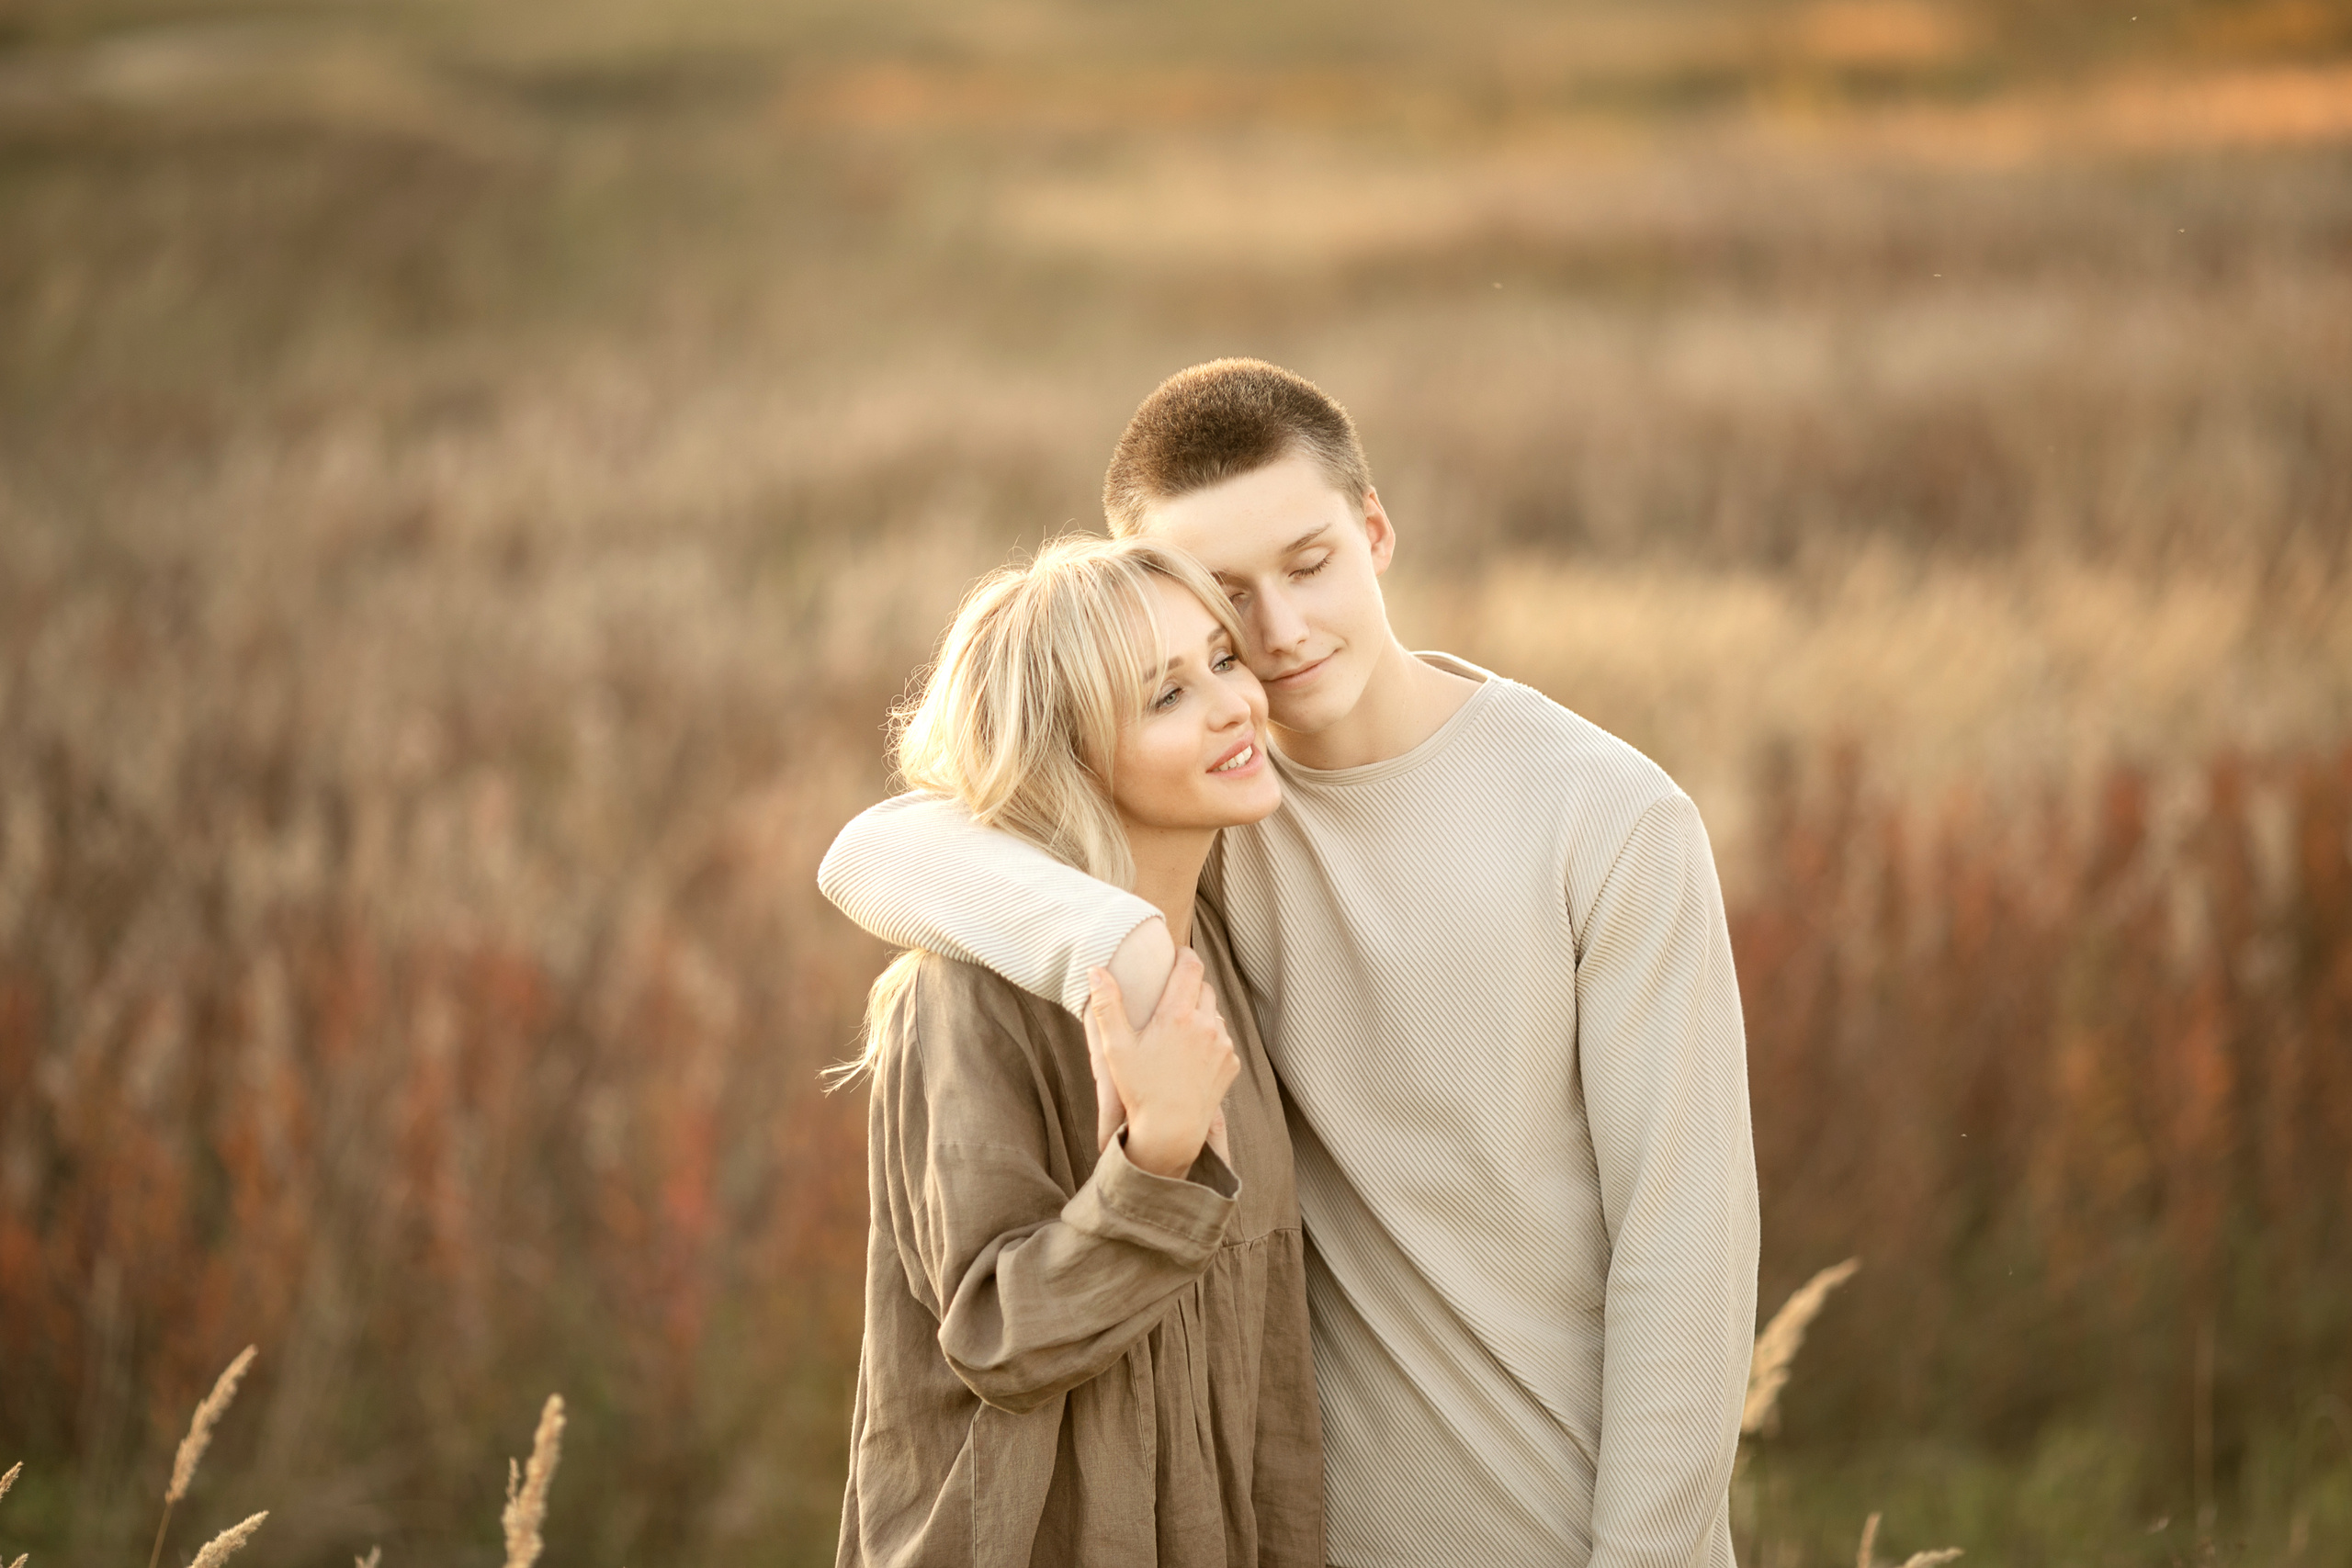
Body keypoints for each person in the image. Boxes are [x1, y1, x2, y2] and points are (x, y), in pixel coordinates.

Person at [822, 359, 1759, 1568]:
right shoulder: (1211, 817)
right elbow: (876, 850)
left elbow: (1684, 1258)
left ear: (1375, 530)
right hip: (1300, 1532)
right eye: (1225, 604)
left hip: (1555, 1526)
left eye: (1309, 564)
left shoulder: (1607, 819)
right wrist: (1122, 946)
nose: (1278, 636)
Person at [831, 533, 1324, 1568]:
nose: (1235, 705)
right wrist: (1158, 1160)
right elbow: (998, 1337)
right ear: (1068, 760)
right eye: (1166, 695)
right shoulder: (964, 998)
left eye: (1222, 660)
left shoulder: (1225, 950)